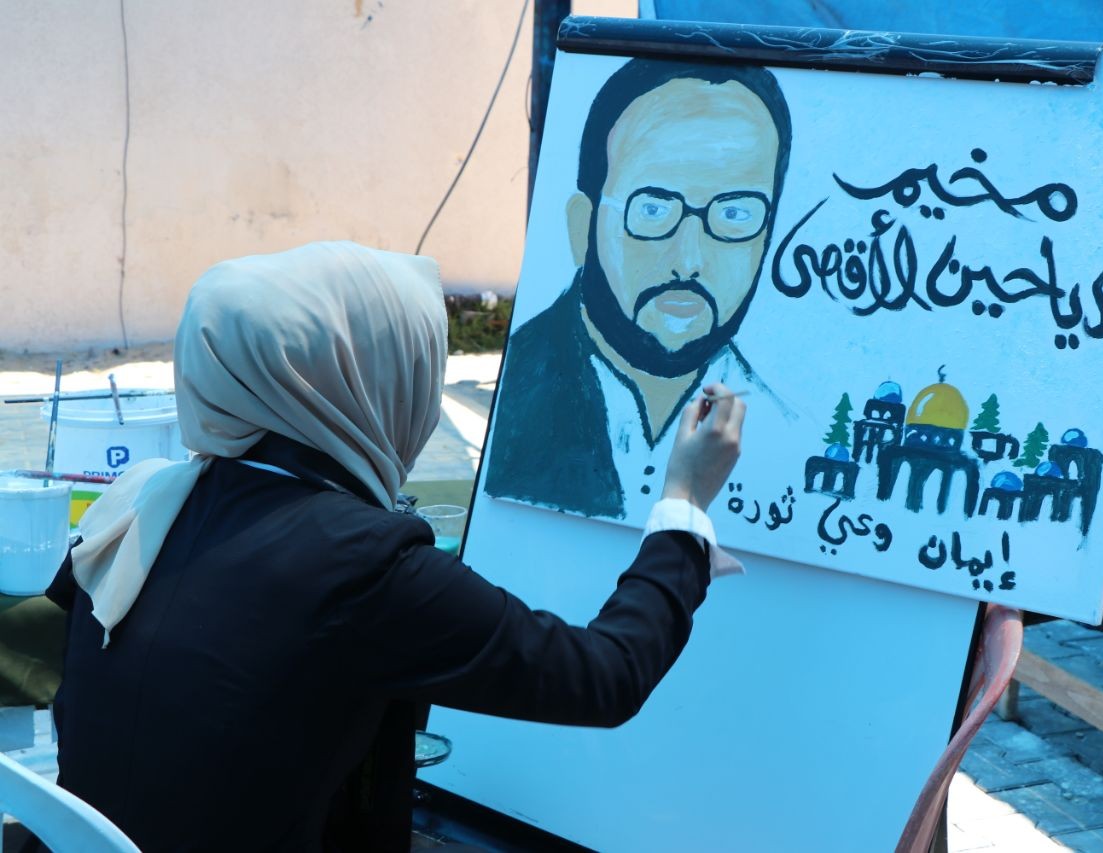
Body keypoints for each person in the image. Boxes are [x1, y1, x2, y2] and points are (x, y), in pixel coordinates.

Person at [45, 241, 745, 852]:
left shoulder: (145, 500)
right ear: (365, 380)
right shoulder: (359, 562)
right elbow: (603, 675)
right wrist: (682, 508)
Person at [483, 59, 791, 520]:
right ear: (582, 227)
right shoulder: (520, 399)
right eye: (653, 210)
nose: (689, 260)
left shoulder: (787, 424)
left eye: (735, 214)